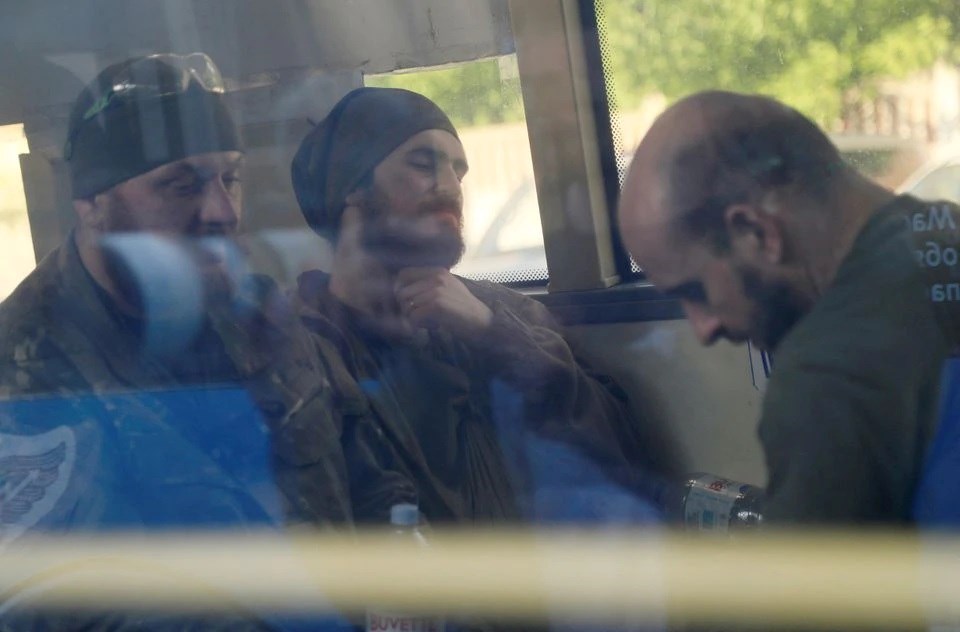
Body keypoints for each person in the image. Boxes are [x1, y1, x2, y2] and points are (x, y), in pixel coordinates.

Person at [0, 53, 353, 628]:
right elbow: (66, 605)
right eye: (179, 185)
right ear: (93, 204)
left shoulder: (256, 311)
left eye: (230, 179)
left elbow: (358, 458)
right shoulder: (23, 366)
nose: (221, 212)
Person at [289, 86, 659, 526]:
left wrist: (492, 337)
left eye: (458, 171)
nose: (449, 187)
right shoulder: (299, 345)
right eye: (423, 164)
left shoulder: (502, 313)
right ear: (352, 188)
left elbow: (618, 450)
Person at [617, 89, 960, 525]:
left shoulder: (825, 376)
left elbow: (814, 589)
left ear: (755, 231)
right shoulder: (945, 236)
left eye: (695, 291)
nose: (703, 329)